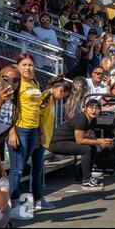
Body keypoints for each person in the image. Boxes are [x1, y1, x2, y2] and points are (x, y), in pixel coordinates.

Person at [49, 99, 113, 191]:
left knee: (92, 148)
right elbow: (80, 140)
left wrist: (103, 141)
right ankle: (86, 180)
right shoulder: (81, 118)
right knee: (86, 149)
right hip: (56, 143)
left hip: (68, 142)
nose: (94, 111)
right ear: (85, 109)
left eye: (97, 108)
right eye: (91, 108)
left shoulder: (93, 120)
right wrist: (99, 141)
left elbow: (88, 138)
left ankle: (88, 176)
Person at [8, 54, 42, 221]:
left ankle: (16, 202)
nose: (28, 68)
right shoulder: (16, 83)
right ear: (18, 67)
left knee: (22, 167)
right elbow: (10, 107)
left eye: (30, 65)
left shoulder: (35, 82)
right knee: (17, 169)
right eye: (24, 65)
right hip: (20, 129)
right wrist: (11, 131)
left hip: (33, 129)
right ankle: (13, 204)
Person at [30, 75, 71, 211]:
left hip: (44, 138)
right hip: (39, 137)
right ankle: (37, 199)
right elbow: (37, 115)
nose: (63, 95)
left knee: (38, 170)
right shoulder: (46, 96)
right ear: (56, 89)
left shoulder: (51, 99)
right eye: (62, 92)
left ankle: (38, 198)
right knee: (36, 170)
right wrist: (41, 133)